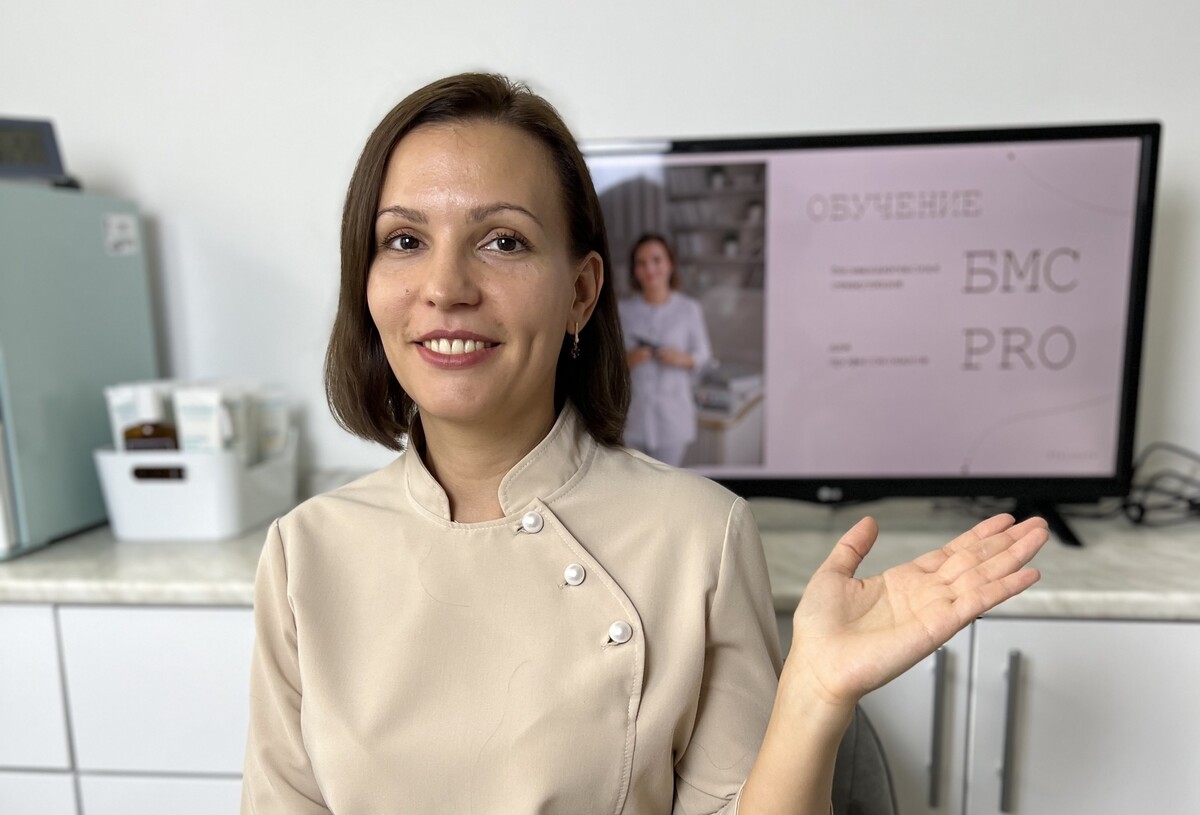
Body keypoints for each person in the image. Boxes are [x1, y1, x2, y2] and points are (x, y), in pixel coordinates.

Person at [241, 72, 1048, 815]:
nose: (445, 287)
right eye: (404, 241)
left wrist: (812, 696)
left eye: (504, 241)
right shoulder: (305, 554)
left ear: (581, 292)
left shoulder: (699, 535)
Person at [619, 234, 712, 466]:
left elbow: (704, 355)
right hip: (634, 420)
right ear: (634, 270)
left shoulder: (689, 309)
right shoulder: (623, 311)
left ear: (670, 263)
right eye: (641, 263)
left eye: (656, 260)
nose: (649, 268)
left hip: (673, 421)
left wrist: (682, 358)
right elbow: (609, 364)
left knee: (668, 485)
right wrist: (630, 358)